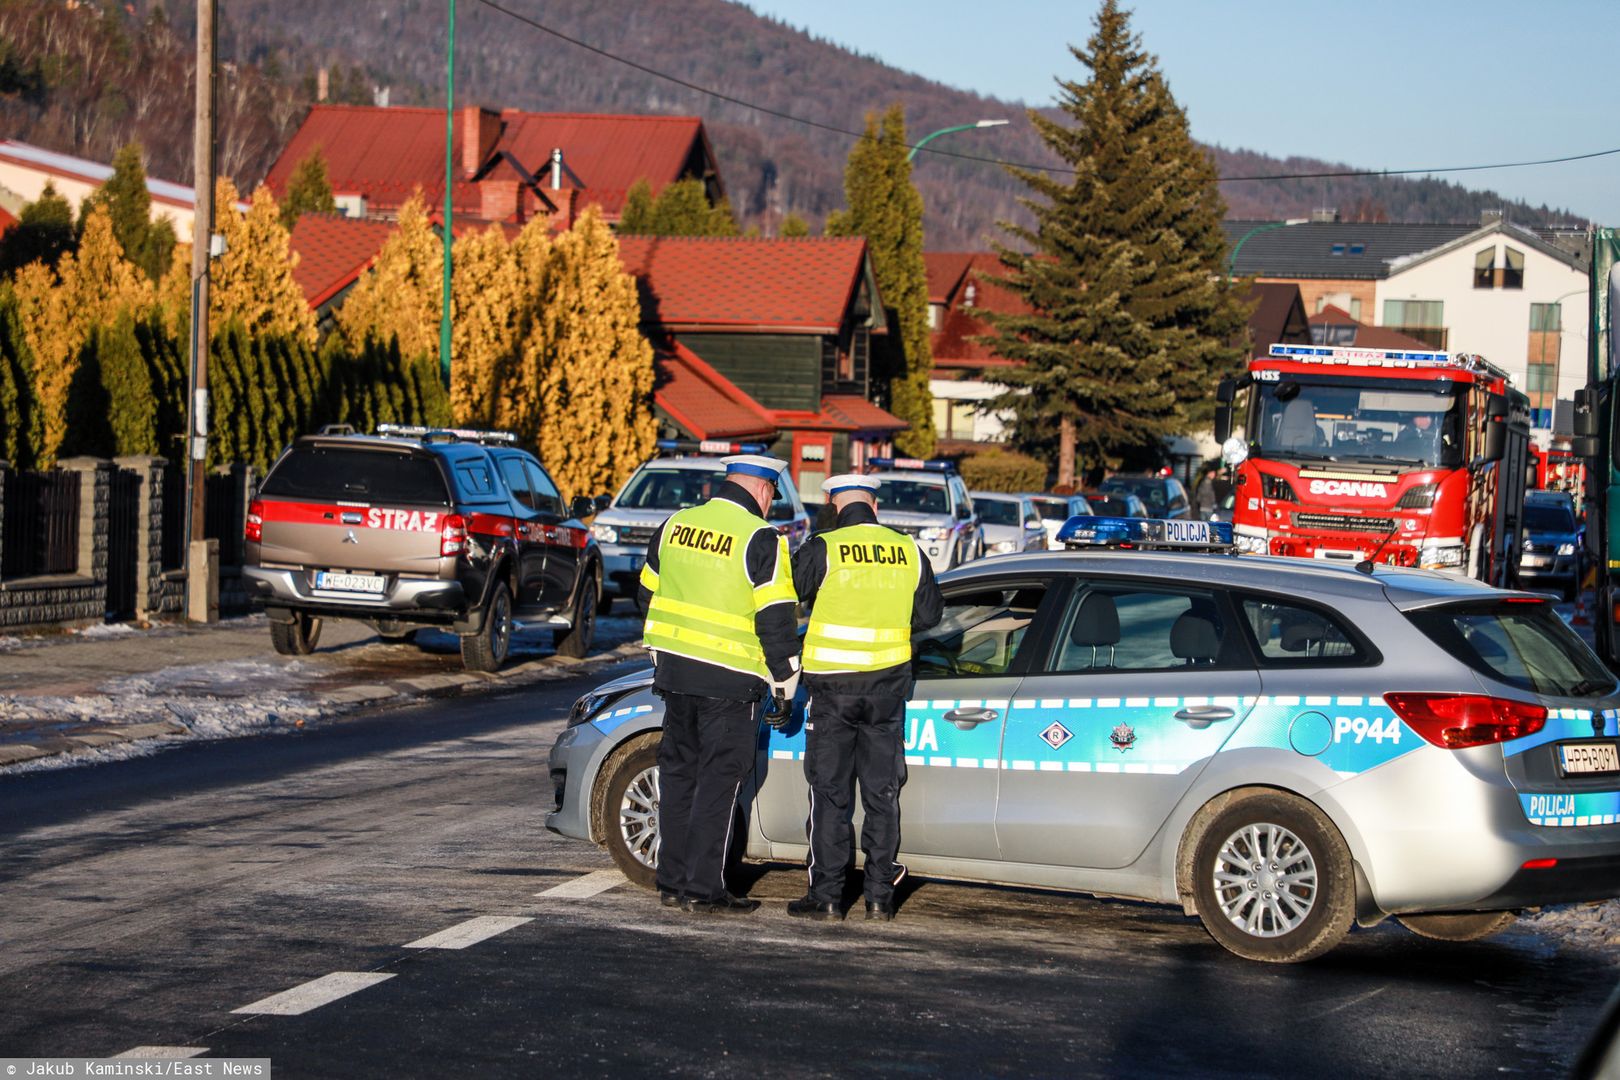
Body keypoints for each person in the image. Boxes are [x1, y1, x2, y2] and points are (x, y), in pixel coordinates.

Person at [638, 454, 801, 914]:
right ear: (764, 490)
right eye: (773, 495)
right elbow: (775, 620)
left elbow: (644, 592)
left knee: (678, 776)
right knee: (717, 784)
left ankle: (671, 882)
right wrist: (786, 683)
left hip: (675, 675)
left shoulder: (676, 524)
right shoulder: (760, 537)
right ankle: (703, 889)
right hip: (730, 684)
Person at [786, 473, 943, 922]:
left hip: (833, 692)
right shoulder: (908, 550)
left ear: (835, 504)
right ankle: (879, 898)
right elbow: (931, 614)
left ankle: (829, 897)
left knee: (831, 794)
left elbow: (790, 594)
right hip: (887, 692)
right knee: (882, 795)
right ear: (875, 505)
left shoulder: (825, 546)